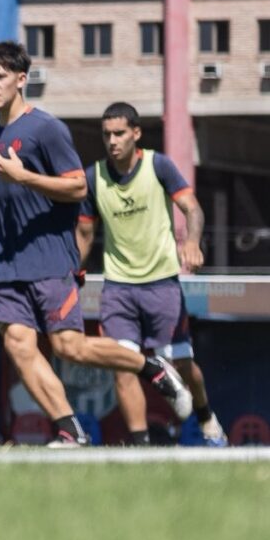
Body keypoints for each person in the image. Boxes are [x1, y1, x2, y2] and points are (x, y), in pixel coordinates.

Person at [0, 42, 192, 447]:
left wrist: (26, 177)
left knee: (69, 348)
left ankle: (149, 366)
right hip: (5, 266)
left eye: (0, 76)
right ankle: (69, 429)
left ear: (21, 80)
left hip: (50, 261)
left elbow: (77, 185)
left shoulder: (46, 129)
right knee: (18, 345)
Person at [75, 102, 226, 446]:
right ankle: (140, 448)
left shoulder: (159, 165)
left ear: (136, 133)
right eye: (106, 134)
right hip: (118, 289)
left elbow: (192, 207)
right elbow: (84, 234)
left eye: (119, 133)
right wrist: (73, 272)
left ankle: (206, 418)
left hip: (162, 285)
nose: (112, 141)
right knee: (124, 366)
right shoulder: (93, 177)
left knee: (182, 365)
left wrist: (191, 242)